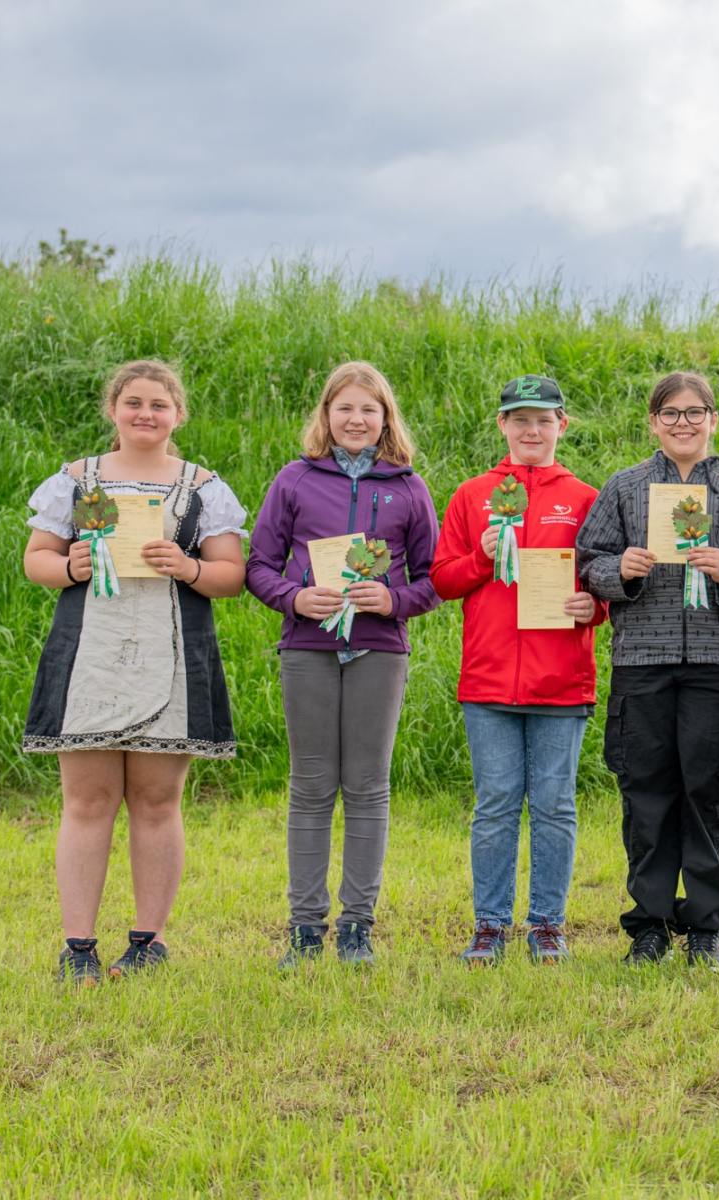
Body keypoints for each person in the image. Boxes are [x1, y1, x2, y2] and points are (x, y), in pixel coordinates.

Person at [23, 360, 247, 984]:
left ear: (178, 414)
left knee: (156, 801)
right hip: (90, 655)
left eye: (159, 405)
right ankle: (78, 949)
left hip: (172, 655)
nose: (146, 414)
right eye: (134, 403)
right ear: (114, 410)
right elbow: (35, 560)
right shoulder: (76, 480)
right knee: (87, 802)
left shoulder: (204, 488)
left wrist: (188, 566)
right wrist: (71, 565)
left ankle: (149, 942)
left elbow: (231, 574)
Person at [575, 371, 719, 969]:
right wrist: (625, 571)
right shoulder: (624, 489)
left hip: (717, 665)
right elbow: (590, 562)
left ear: (714, 420)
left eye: (695, 413)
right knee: (646, 792)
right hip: (643, 660)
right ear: (653, 422)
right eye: (670, 413)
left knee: (707, 792)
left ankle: (707, 926)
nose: (683, 423)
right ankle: (649, 925)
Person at [246, 361, 441, 968]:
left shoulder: (408, 487)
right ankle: (305, 929)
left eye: (369, 410)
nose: (356, 420)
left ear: (386, 419)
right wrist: (296, 598)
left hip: (379, 652)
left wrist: (395, 600)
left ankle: (357, 926)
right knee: (310, 787)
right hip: (307, 649)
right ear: (326, 415)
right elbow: (258, 565)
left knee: (367, 787)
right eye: (345, 408)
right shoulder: (296, 480)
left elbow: (436, 578)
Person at [431, 375, 604, 966]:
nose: (532, 429)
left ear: (562, 424)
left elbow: (603, 578)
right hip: (490, 678)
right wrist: (482, 552)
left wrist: (595, 605)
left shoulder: (585, 497)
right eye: (520, 419)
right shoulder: (472, 494)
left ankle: (548, 924)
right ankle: (490, 924)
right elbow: (443, 579)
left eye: (544, 419)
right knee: (497, 802)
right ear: (502, 425)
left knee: (555, 804)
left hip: (561, 680)